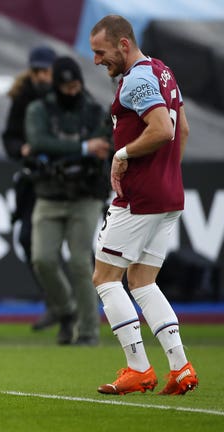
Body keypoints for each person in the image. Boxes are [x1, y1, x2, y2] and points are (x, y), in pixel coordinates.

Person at [89, 15, 198, 395]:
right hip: (169, 195)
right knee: (142, 281)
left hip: (139, 198)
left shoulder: (136, 79)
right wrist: (166, 173)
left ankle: (138, 367)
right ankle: (180, 366)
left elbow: (163, 129)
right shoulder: (163, 72)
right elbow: (181, 129)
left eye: (101, 52)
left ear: (122, 44)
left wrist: (123, 154)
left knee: (104, 278)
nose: (97, 60)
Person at [24, 55, 111, 346]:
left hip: (84, 196)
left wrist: (64, 151)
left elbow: (105, 142)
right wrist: (83, 148)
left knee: (79, 262)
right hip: (49, 194)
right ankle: (66, 310)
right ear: (57, 86)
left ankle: (87, 331)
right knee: (42, 259)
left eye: (76, 86)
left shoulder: (93, 110)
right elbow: (39, 141)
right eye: (67, 87)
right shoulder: (40, 109)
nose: (72, 92)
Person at [1, 44, 59, 331]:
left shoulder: (67, 92)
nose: (39, 76)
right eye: (35, 70)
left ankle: (72, 308)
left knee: (72, 249)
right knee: (27, 239)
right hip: (34, 183)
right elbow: (9, 137)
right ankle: (55, 300)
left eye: (44, 70)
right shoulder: (23, 97)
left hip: (64, 183)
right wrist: (21, 149)